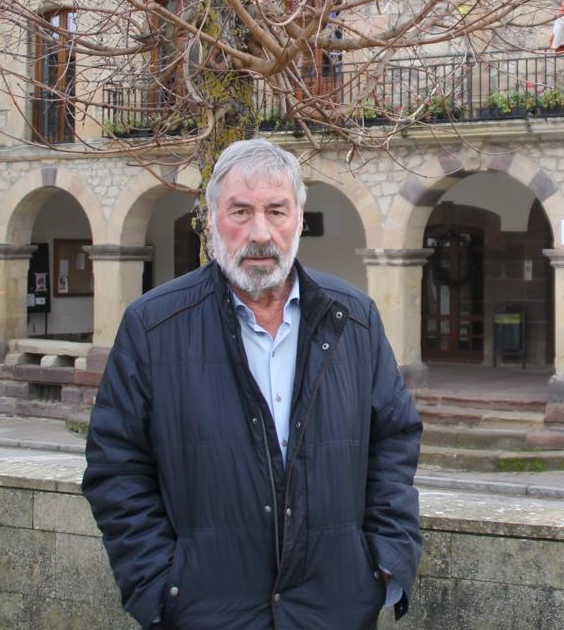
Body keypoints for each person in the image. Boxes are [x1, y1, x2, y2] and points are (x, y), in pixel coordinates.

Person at [83, 138, 422, 629]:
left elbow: (394, 441)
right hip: (206, 612)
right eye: (240, 211)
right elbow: (116, 467)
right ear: (211, 218)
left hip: (336, 608)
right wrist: (161, 584)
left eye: (276, 211)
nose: (260, 233)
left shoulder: (355, 319)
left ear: (300, 219)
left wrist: (381, 561)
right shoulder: (153, 326)